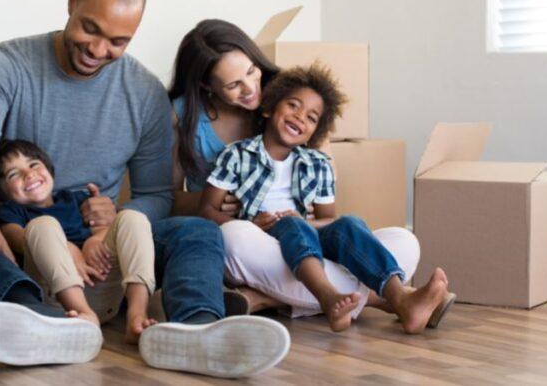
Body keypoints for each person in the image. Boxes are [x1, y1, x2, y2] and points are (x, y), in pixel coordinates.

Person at [0, 0, 289, 378]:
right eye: (90, 28)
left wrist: (112, 222)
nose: (98, 49)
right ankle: (27, 310)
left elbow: (157, 193)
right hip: (17, 235)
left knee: (198, 230)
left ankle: (195, 329)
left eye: (118, 41)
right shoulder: (4, 65)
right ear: (71, 2)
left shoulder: (144, 94)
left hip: (102, 252)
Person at [168, 20, 435, 322]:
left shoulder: (292, 96)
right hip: (250, 240)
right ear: (206, 86)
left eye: (252, 71)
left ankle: (266, 299)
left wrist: (314, 222)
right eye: (233, 85)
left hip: (307, 238)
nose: (251, 88)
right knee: (234, 237)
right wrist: (230, 208)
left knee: (404, 242)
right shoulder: (201, 128)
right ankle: (383, 298)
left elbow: (326, 209)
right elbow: (175, 200)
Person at [199, 65, 457, 334]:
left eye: (311, 117)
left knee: (376, 232)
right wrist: (252, 223)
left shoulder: (318, 164)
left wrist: (308, 224)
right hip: (263, 243)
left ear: (315, 132)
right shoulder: (237, 155)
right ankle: (336, 297)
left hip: (308, 244)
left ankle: (397, 297)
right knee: (241, 234)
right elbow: (206, 210)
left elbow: (328, 219)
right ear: (268, 108)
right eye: (293, 105)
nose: (300, 117)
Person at [0, 138, 158, 344]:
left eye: (33, 164)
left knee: (133, 218)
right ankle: (84, 315)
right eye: (13, 174)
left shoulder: (74, 199)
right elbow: (17, 239)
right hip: (58, 298)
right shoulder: (11, 212)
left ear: (50, 171)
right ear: (2, 192)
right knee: (43, 225)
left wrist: (94, 241)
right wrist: (67, 248)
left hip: (102, 285)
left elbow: (104, 229)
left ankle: (137, 315)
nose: (29, 174)